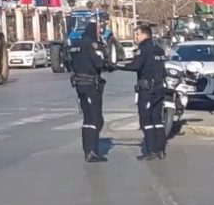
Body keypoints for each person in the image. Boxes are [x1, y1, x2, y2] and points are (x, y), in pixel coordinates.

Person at [119, 24, 168, 160]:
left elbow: (136, 66)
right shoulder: (159, 50)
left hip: (147, 90)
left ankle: (151, 150)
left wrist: (118, 66)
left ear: (143, 35)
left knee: (146, 120)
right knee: (157, 120)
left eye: (137, 35)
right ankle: (161, 150)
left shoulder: (143, 49)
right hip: (159, 88)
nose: (136, 38)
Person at [68, 22, 109, 162]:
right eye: (98, 31)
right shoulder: (91, 44)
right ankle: (91, 151)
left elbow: (68, 62)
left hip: (79, 85)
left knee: (87, 118)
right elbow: (99, 63)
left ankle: (87, 148)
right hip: (92, 85)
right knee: (95, 118)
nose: (99, 33)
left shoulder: (74, 44)